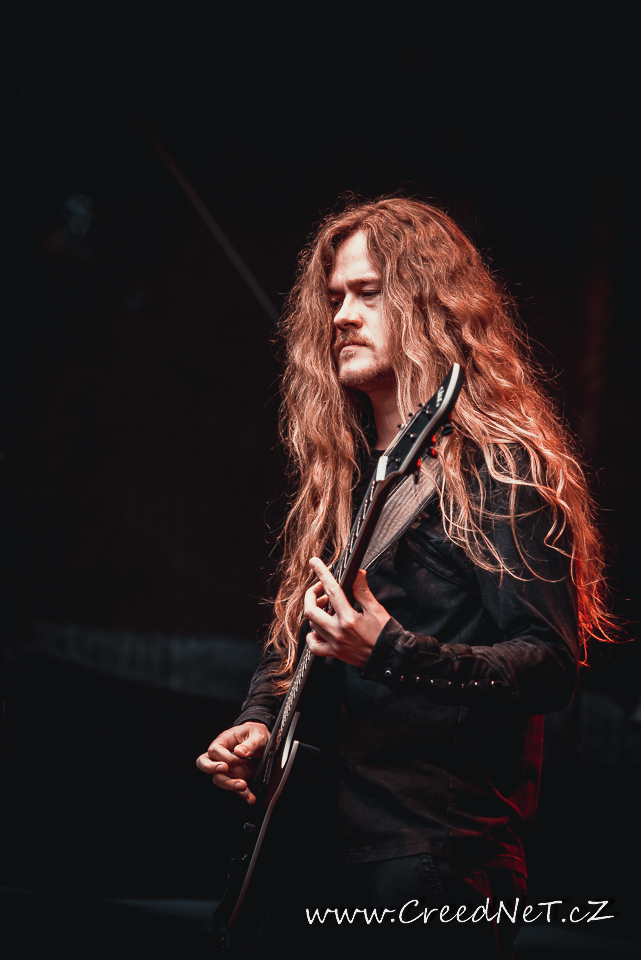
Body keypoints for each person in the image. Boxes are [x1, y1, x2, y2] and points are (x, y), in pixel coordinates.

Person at [197, 197, 614, 959]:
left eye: (368, 293)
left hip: (431, 864)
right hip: (312, 856)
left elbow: (549, 664)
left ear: (430, 305)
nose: (342, 317)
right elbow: (303, 638)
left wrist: (389, 650)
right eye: (333, 298)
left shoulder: (500, 468)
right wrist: (260, 721)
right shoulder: (355, 478)